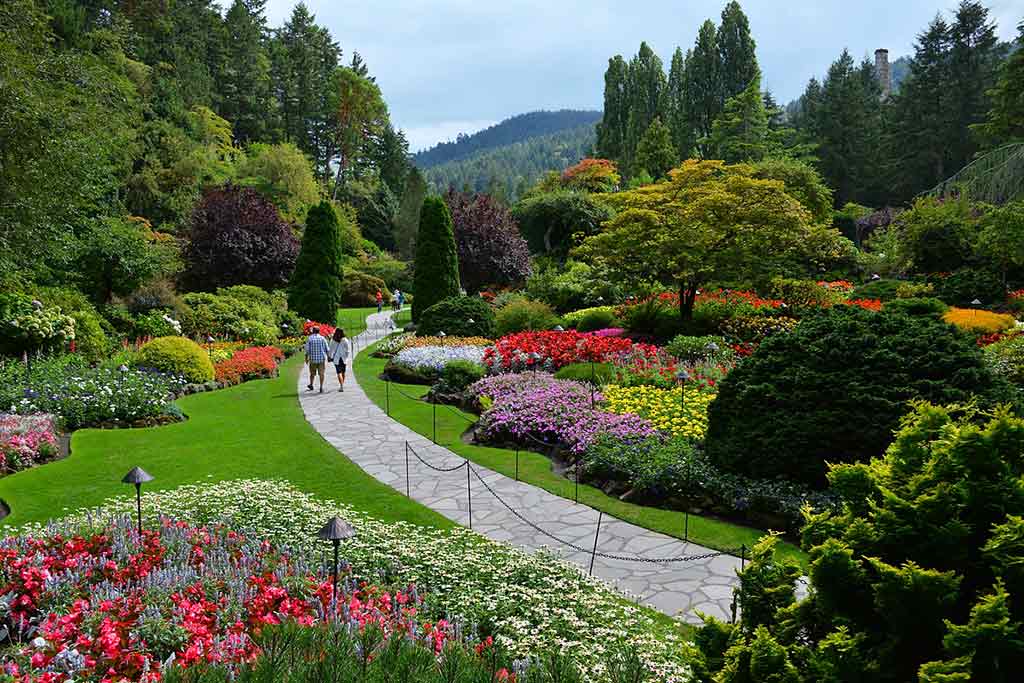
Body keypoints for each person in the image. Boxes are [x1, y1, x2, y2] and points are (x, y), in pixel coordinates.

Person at [304, 325, 329, 393]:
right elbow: (327, 349)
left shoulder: (309, 338)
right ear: (319, 331)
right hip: (321, 359)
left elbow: (307, 350)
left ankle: (311, 384)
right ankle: (321, 387)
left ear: (313, 331)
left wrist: (306, 358)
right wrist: (328, 357)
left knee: (312, 373)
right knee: (321, 374)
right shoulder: (322, 338)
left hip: (313, 359)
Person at [328, 328, 352, 392]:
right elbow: (348, 350)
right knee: (343, 372)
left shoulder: (333, 340)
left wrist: (330, 356)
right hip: (344, 358)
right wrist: (346, 356)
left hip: (336, 358)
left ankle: (341, 386)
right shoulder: (345, 340)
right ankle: (342, 385)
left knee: (339, 372)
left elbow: (330, 350)